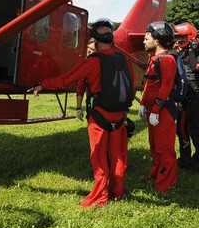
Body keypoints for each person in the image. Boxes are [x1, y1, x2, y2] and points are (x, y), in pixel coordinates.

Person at [29, 19, 134, 207]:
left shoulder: (92, 62)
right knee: (116, 156)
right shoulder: (123, 60)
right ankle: (118, 192)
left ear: (95, 39)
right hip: (119, 115)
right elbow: (130, 87)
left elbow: (66, 79)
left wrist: (42, 84)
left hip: (100, 115)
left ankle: (100, 197)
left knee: (99, 158)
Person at [140, 21, 179, 193]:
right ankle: (157, 172)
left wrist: (155, 110)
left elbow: (167, 86)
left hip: (163, 111)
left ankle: (167, 183)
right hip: (152, 109)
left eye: (146, 38)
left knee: (164, 148)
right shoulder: (153, 59)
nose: (143, 41)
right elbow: (149, 84)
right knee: (154, 145)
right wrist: (142, 104)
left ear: (156, 40)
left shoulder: (167, 59)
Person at [173, 22, 199, 174]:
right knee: (181, 129)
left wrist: (190, 48)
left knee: (194, 129)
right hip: (183, 95)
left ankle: (198, 163)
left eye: (182, 37)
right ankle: (184, 159)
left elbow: (197, 66)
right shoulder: (181, 52)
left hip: (195, 97)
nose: (179, 40)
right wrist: (177, 52)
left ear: (190, 37)